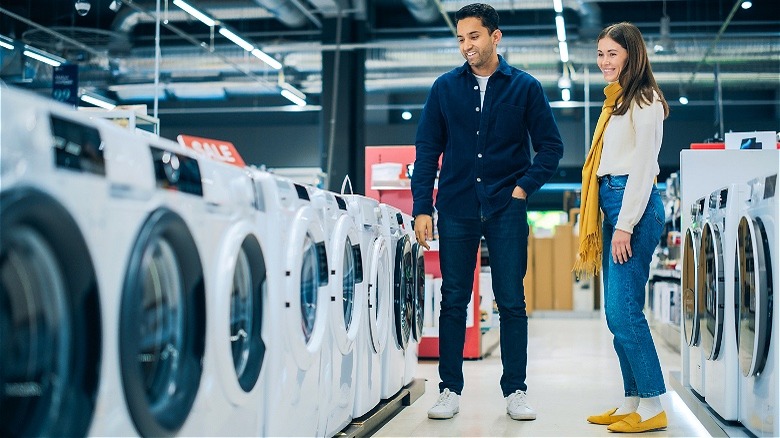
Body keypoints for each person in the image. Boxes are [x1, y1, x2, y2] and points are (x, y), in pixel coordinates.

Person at [411, 3, 564, 421]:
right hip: (457, 207)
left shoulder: (525, 88)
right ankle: (449, 389)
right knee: (453, 299)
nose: (466, 46)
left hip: (505, 207)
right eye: (460, 39)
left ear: (496, 37)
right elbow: (427, 151)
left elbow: (551, 147)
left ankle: (515, 389)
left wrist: (522, 188)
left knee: (512, 300)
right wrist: (422, 205)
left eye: (473, 36)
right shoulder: (444, 89)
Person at [574, 22, 670, 433]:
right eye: (600, 54)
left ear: (632, 54)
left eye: (612, 53)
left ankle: (654, 408)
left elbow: (644, 168)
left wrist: (625, 225)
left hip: (634, 207)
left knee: (624, 311)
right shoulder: (616, 102)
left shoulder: (645, 101)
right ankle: (631, 400)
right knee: (616, 316)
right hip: (616, 206)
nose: (604, 62)